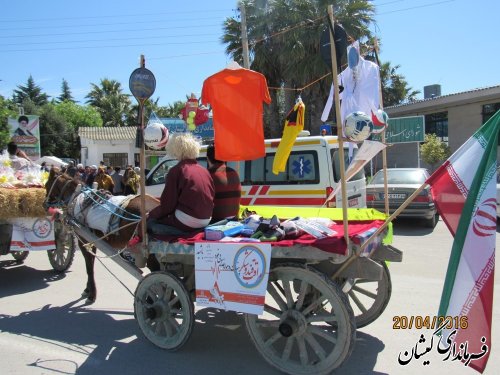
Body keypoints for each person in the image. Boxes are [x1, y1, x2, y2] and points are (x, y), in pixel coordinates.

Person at [147, 133, 215, 236]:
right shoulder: (204, 170)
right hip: (206, 220)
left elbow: (167, 206)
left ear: (175, 150)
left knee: (149, 224)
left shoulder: (176, 170)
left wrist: (151, 215)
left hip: (187, 221)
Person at [206, 143, 241, 223]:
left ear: (208, 158)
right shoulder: (234, 172)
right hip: (234, 222)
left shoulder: (207, 175)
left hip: (215, 224)